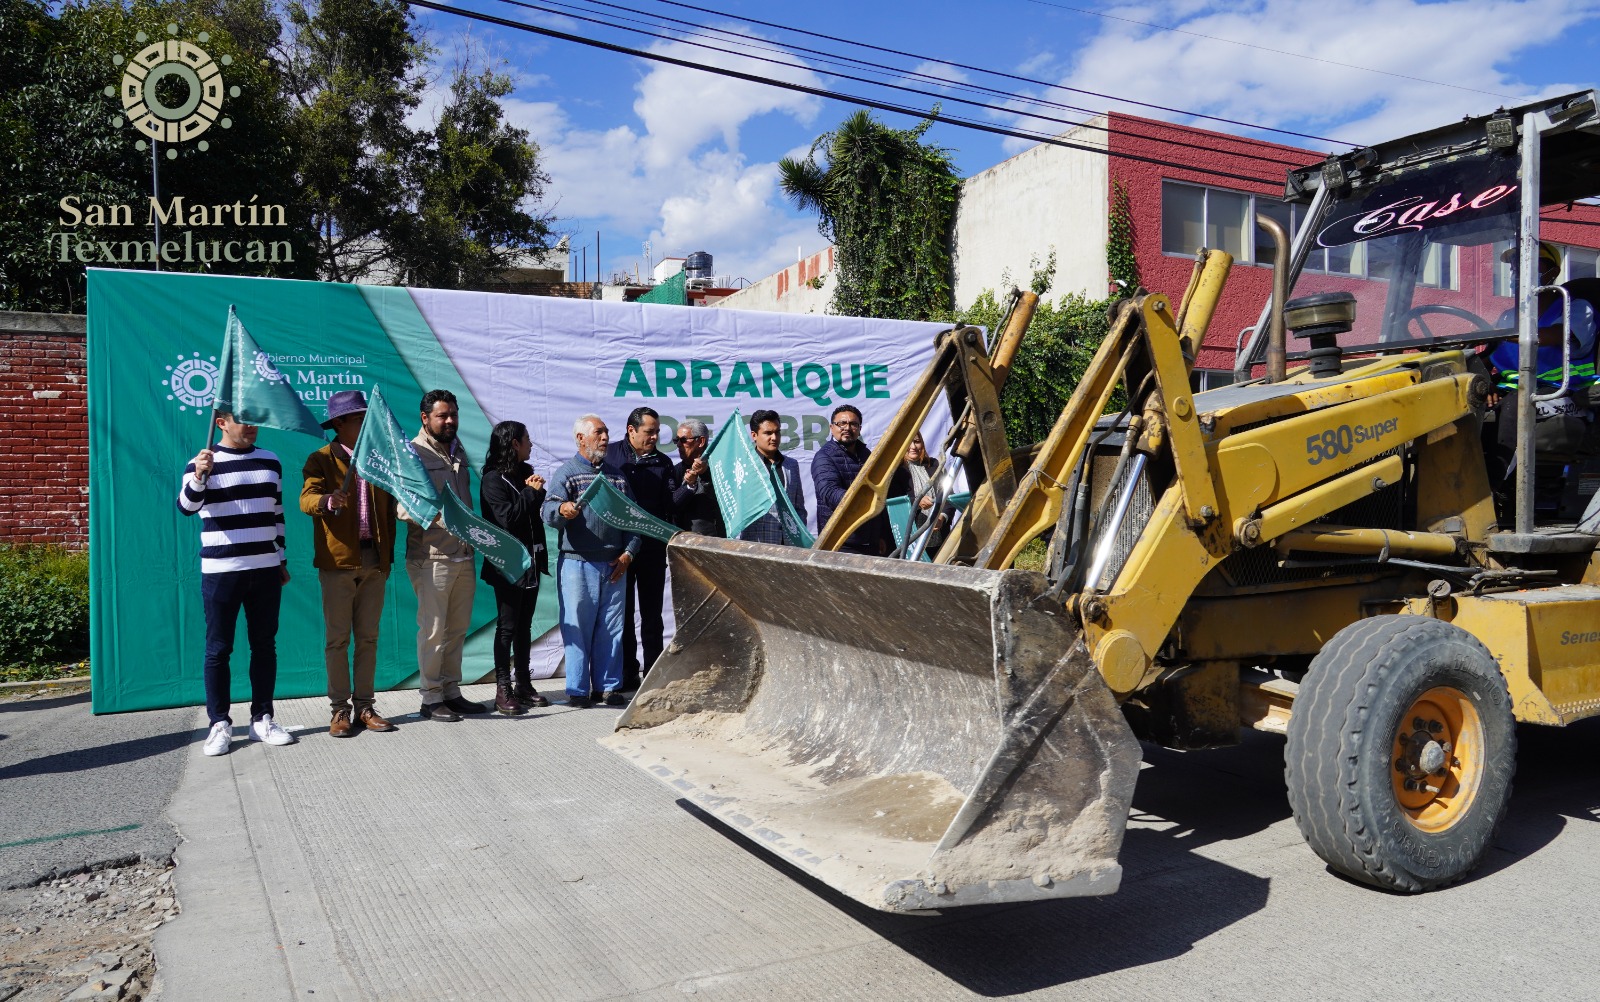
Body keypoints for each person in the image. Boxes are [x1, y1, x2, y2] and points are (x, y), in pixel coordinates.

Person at [178, 412, 295, 756]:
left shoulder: (270, 460)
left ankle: (262, 719)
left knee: (264, 646)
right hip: (221, 570)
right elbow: (186, 507)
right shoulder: (202, 462)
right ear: (222, 422)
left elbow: (277, 513)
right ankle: (219, 724)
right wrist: (199, 476)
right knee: (219, 648)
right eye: (243, 419)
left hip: (265, 568)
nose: (251, 426)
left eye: (255, 419)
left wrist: (281, 558)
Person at [300, 390, 398, 738]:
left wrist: (386, 560)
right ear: (339, 424)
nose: (365, 424)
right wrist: (327, 500)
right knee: (338, 640)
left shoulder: (378, 458)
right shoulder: (321, 459)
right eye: (359, 419)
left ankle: (365, 707)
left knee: (368, 638)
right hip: (338, 563)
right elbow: (306, 499)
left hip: (374, 559)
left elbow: (387, 512)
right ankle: (339, 710)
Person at [1486, 241, 1600, 515]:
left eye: (1527, 265)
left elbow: (1554, 337)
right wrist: (1486, 384)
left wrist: (1492, 333)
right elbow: (1489, 356)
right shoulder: (1509, 316)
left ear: (1551, 273)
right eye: (1514, 267)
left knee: (1515, 407)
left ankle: (1500, 491)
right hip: (1521, 393)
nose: (1517, 272)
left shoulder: (1577, 308)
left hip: (1568, 396)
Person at [542, 414, 641, 707]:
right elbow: (547, 511)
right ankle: (577, 690)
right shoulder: (567, 473)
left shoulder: (617, 477)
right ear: (580, 439)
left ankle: (608, 688)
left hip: (615, 564)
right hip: (577, 564)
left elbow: (636, 521)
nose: (605, 438)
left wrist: (628, 554)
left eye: (607, 432)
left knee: (612, 629)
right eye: (599, 432)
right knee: (577, 627)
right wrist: (563, 508)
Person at [401, 389, 487, 722]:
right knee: (434, 631)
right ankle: (431, 698)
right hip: (431, 557)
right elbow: (402, 507)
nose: (450, 420)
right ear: (425, 418)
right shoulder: (412, 454)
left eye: (453, 414)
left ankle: (451, 692)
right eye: (442, 415)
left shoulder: (458, 448)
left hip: (463, 554)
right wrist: (441, 518)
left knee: (457, 630)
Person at [479, 420, 551, 715]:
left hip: (532, 561)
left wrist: (536, 493)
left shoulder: (524, 473)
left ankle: (523, 682)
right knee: (507, 626)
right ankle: (502, 688)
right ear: (513, 444)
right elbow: (506, 519)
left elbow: (532, 515)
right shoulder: (492, 479)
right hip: (507, 565)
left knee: (524, 624)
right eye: (527, 439)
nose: (531, 444)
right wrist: (531, 494)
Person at [606, 406, 680, 691]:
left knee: (652, 616)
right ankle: (626, 674)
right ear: (631, 430)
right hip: (619, 551)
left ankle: (651, 674)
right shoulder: (611, 456)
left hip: (650, 551)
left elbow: (670, 505)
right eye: (649, 432)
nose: (654, 437)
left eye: (657, 432)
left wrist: (686, 483)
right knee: (621, 616)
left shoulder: (663, 462)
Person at [812, 404, 896, 555]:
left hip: (871, 540)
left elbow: (880, 493)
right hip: (842, 541)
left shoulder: (867, 455)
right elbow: (829, 493)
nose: (847, 428)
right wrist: (862, 501)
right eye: (841, 423)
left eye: (853, 424)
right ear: (832, 428)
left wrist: (882, 535)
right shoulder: (824, 457)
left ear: (859, 428)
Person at [739, 409, 807, 544]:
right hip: (755, 546)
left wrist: (799, 539)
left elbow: (798, 508)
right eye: (768, 433)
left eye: (777, 432)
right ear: (754, 435)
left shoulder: (791, 465)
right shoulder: (744, 465)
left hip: (789, 547)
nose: (774, 438)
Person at [671, 418, 722, 537]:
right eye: (676, 440)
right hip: (681, 543)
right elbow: (672, 506)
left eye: (683, 440)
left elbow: (724, 500)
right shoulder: (675, 470)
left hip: (714, 542)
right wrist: (689, 486)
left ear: (701, 441)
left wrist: (705, 474)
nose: (678, 444)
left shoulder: (719, 468)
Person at [902, 431, 947, 554]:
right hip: (907, 535)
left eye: (917, 441)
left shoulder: (934, 464)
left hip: (938, 533)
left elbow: (948, 494)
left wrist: (942, 517)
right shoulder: (896, 470)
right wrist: (916, 502)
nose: (913, 447)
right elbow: (892, 500)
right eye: (908, 443)